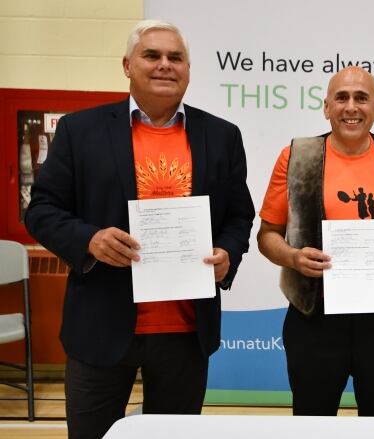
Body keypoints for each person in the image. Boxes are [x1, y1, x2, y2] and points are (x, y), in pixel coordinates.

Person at [24, 20, 255, 439]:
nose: (165, 65)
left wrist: (227, 254)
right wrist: (88, 240)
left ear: (188, 69)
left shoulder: (221, 136)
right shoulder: (80, 131)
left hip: (186, 330)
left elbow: (239, 217)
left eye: (176, 57)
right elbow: (41, 210)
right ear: (128, 65)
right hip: (102, 326)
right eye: (152, 55)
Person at [257, 66, 374, 416]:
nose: (351, 107)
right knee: (313, 421)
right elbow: (266, 236)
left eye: (361, 98)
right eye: (341, 97)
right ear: (326, 107)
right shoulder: (297, 156)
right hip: (314, 318)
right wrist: (293, 258)